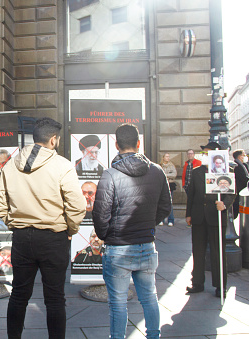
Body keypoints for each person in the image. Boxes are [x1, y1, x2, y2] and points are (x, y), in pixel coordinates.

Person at [0, 117, 86, 339]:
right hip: (54, 238)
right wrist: (70, 230)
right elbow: (77, 206)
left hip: (22, 238)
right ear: (53, 140)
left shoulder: (10, 166)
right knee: (55, 299)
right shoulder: (63, 165)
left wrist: (16, 224)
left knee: (18, 295)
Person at [92, 123, 171, 339]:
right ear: (139, 143)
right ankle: (153, 336)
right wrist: (148, 224)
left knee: (117, 303)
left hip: (118, 248)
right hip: (146, 244)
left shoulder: (110, 174)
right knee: (150, 297)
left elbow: (100, 215)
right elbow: (165, 207)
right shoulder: (157, 171)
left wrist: (107, 235)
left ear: (116, 145)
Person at [186, 141, 235, 298]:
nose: (206, 156)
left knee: (217, 252)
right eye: (205, 154)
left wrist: (225, 204)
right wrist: (188, 214)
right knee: (198, 251)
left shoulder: (227, 171)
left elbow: (232, 193)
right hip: (199, 215)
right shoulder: (197, 171)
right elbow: (191, 194)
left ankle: (221, 286)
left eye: (209, 153)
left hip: (216, 216)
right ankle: (197, 282)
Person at [160, 152, 177, 226]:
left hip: (170, 185)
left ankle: (171, 220)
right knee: (161, 202)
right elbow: (159, 174)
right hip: (162, 185)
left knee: (170, 203)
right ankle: (161, 219)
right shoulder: (160, 165)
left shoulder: (171, 165)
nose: (168, 158)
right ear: (163, 157)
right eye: (166, 156)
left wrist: (165, 175)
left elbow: (174, 175)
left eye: (169, 156)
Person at [233, 149, 249, 219]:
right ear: (240, 156)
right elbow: (242, 178)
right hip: (238, 190)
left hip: (242, 190)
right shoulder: (236, 165)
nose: (245, 156)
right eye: (244, 155)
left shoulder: (244, 165)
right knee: (236, 208)